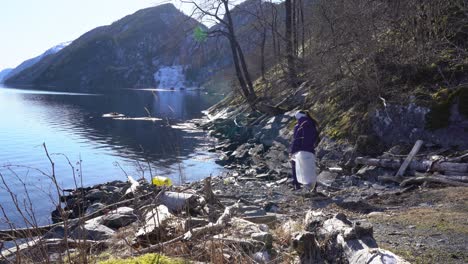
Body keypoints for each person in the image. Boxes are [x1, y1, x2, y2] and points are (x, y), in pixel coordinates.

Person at [289, 110, 319, 190]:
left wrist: (292, 152)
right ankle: (313, 188)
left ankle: (297, 186)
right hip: (310, 150)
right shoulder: (313, 124)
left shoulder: (299, 126)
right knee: (310, 169)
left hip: (299, 150)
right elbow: (316, 138)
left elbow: (296, 139)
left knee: (295, 167)